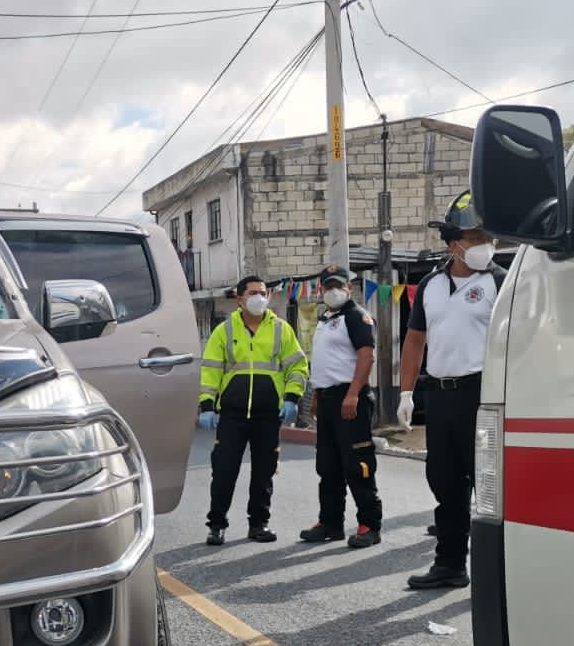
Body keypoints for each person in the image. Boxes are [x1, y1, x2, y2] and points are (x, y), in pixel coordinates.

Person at [396, 190, 505, 589]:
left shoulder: (499, 282)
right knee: (445, 480)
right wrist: (407, 393)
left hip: (483, 394)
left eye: (487, 238)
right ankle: (450, 564)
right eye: (475, 238)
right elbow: (414, 340)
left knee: (489, 483)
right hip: (440, 395)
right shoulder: (430, 285)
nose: (484, 246)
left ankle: (499, 574)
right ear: (454, 243)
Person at [197, 275, 309, 546]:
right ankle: (216, 525)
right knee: (223, 470)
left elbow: (297, 366)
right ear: (240, 298)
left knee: (264, 471)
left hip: (268, 414)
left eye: (263, 292)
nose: (260, 297)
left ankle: (259, 524)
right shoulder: (224, 331)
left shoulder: (281, 330)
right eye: (253, 293)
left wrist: (292, 398)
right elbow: (211, 369)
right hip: (232, 415)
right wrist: (207, 405)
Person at [299, 265, 382, 549]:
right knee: (328, 466)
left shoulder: (357, 316)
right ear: (321, 290)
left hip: (350, 399)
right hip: (327, 400)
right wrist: (318, 398)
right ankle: (330, 523)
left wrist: (353, 394)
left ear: (349, 287)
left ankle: (369, 524)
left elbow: (366, 356)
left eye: (339, 285)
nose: (333, 290)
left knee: (358, 466)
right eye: (328, 286)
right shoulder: (325, 318)